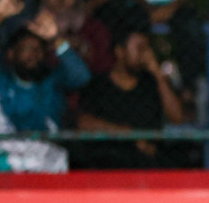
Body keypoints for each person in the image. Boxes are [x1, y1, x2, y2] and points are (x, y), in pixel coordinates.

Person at [0, 0, 89, 173]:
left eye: (39, 49)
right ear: (11, 54)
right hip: (3, 164)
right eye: (26, 49)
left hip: (46, 164)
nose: (34, 54)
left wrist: (56, 38)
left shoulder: (52, 81)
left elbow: (82, 76)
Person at [76, 18, 186, 168]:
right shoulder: (99, 84)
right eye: (140, 48)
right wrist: (128, 135)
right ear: (120, 52)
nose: (145, 54)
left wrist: (157, 72)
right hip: (106, 163)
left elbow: (177, 117)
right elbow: (84, 123)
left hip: (146, 165)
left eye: (147, 48)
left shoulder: (152, 83)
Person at [38, 0, 113, 76]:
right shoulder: (34, 26)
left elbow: (101, 64)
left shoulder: (93, 28)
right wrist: (65, 44)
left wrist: (82, 47)